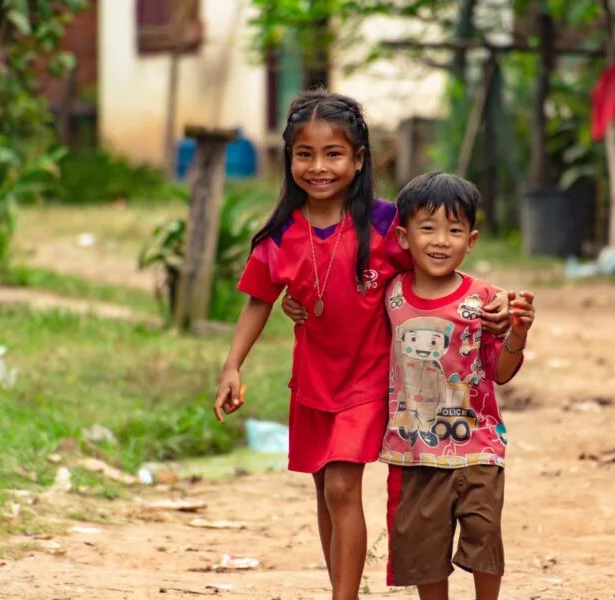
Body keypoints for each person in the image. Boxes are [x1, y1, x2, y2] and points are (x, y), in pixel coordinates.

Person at [213, 90, 511, 600]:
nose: (318, 166)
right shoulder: (280, 235)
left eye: (333, 153)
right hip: (311, 381)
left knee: (342, 486)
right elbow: (259, 301)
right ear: (289, 159)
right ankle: (341, 587)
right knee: (324, 493)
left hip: (370, 378)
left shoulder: (385, 224)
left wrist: (494, 305)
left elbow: (439, 261)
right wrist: (232, 365)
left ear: (358, 159)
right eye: (304, 153)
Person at [381, 172, 535, 600]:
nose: (440, 240)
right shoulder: (391, 296)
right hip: (414, 451)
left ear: (471, 240)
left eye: (454, 230)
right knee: (424, 548)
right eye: (427, 227)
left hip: (478, 446)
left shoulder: (485, 299)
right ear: (404, 236)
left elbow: (499, 372)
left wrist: (518, 335)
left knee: (484, 537)